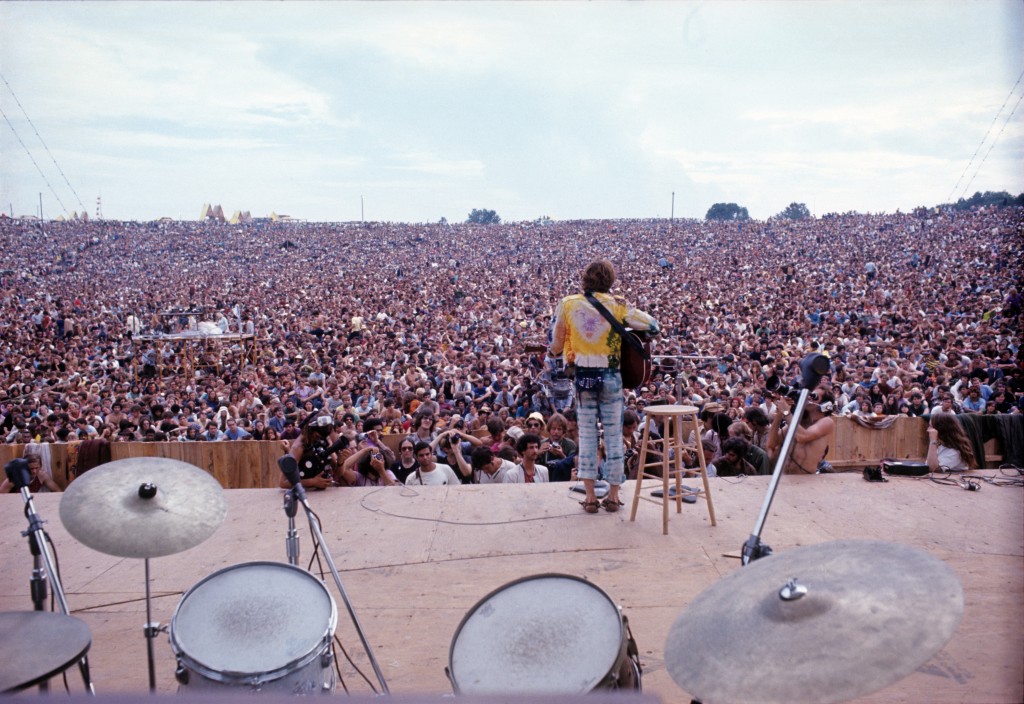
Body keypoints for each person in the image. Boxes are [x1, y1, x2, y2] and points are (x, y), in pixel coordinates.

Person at [550, 259, 659, 513]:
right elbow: (653, 326)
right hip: (611, 377)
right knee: (613, 437)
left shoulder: (568, 304)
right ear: (610, 280)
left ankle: (589, 497)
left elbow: (555, 345)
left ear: (585, 278)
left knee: (587, 437)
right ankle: (612, 496)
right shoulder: (618, 304)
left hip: (584, 378)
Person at [769, 389, 836, 474]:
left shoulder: (827, 422)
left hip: (806, 480)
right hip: (785, 478)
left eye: (814, 397)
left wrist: (786, 412)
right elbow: (771, 443)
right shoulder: (799, 422)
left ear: (825, 405)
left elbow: (802, 437)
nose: (808, 398)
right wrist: (780, 414)